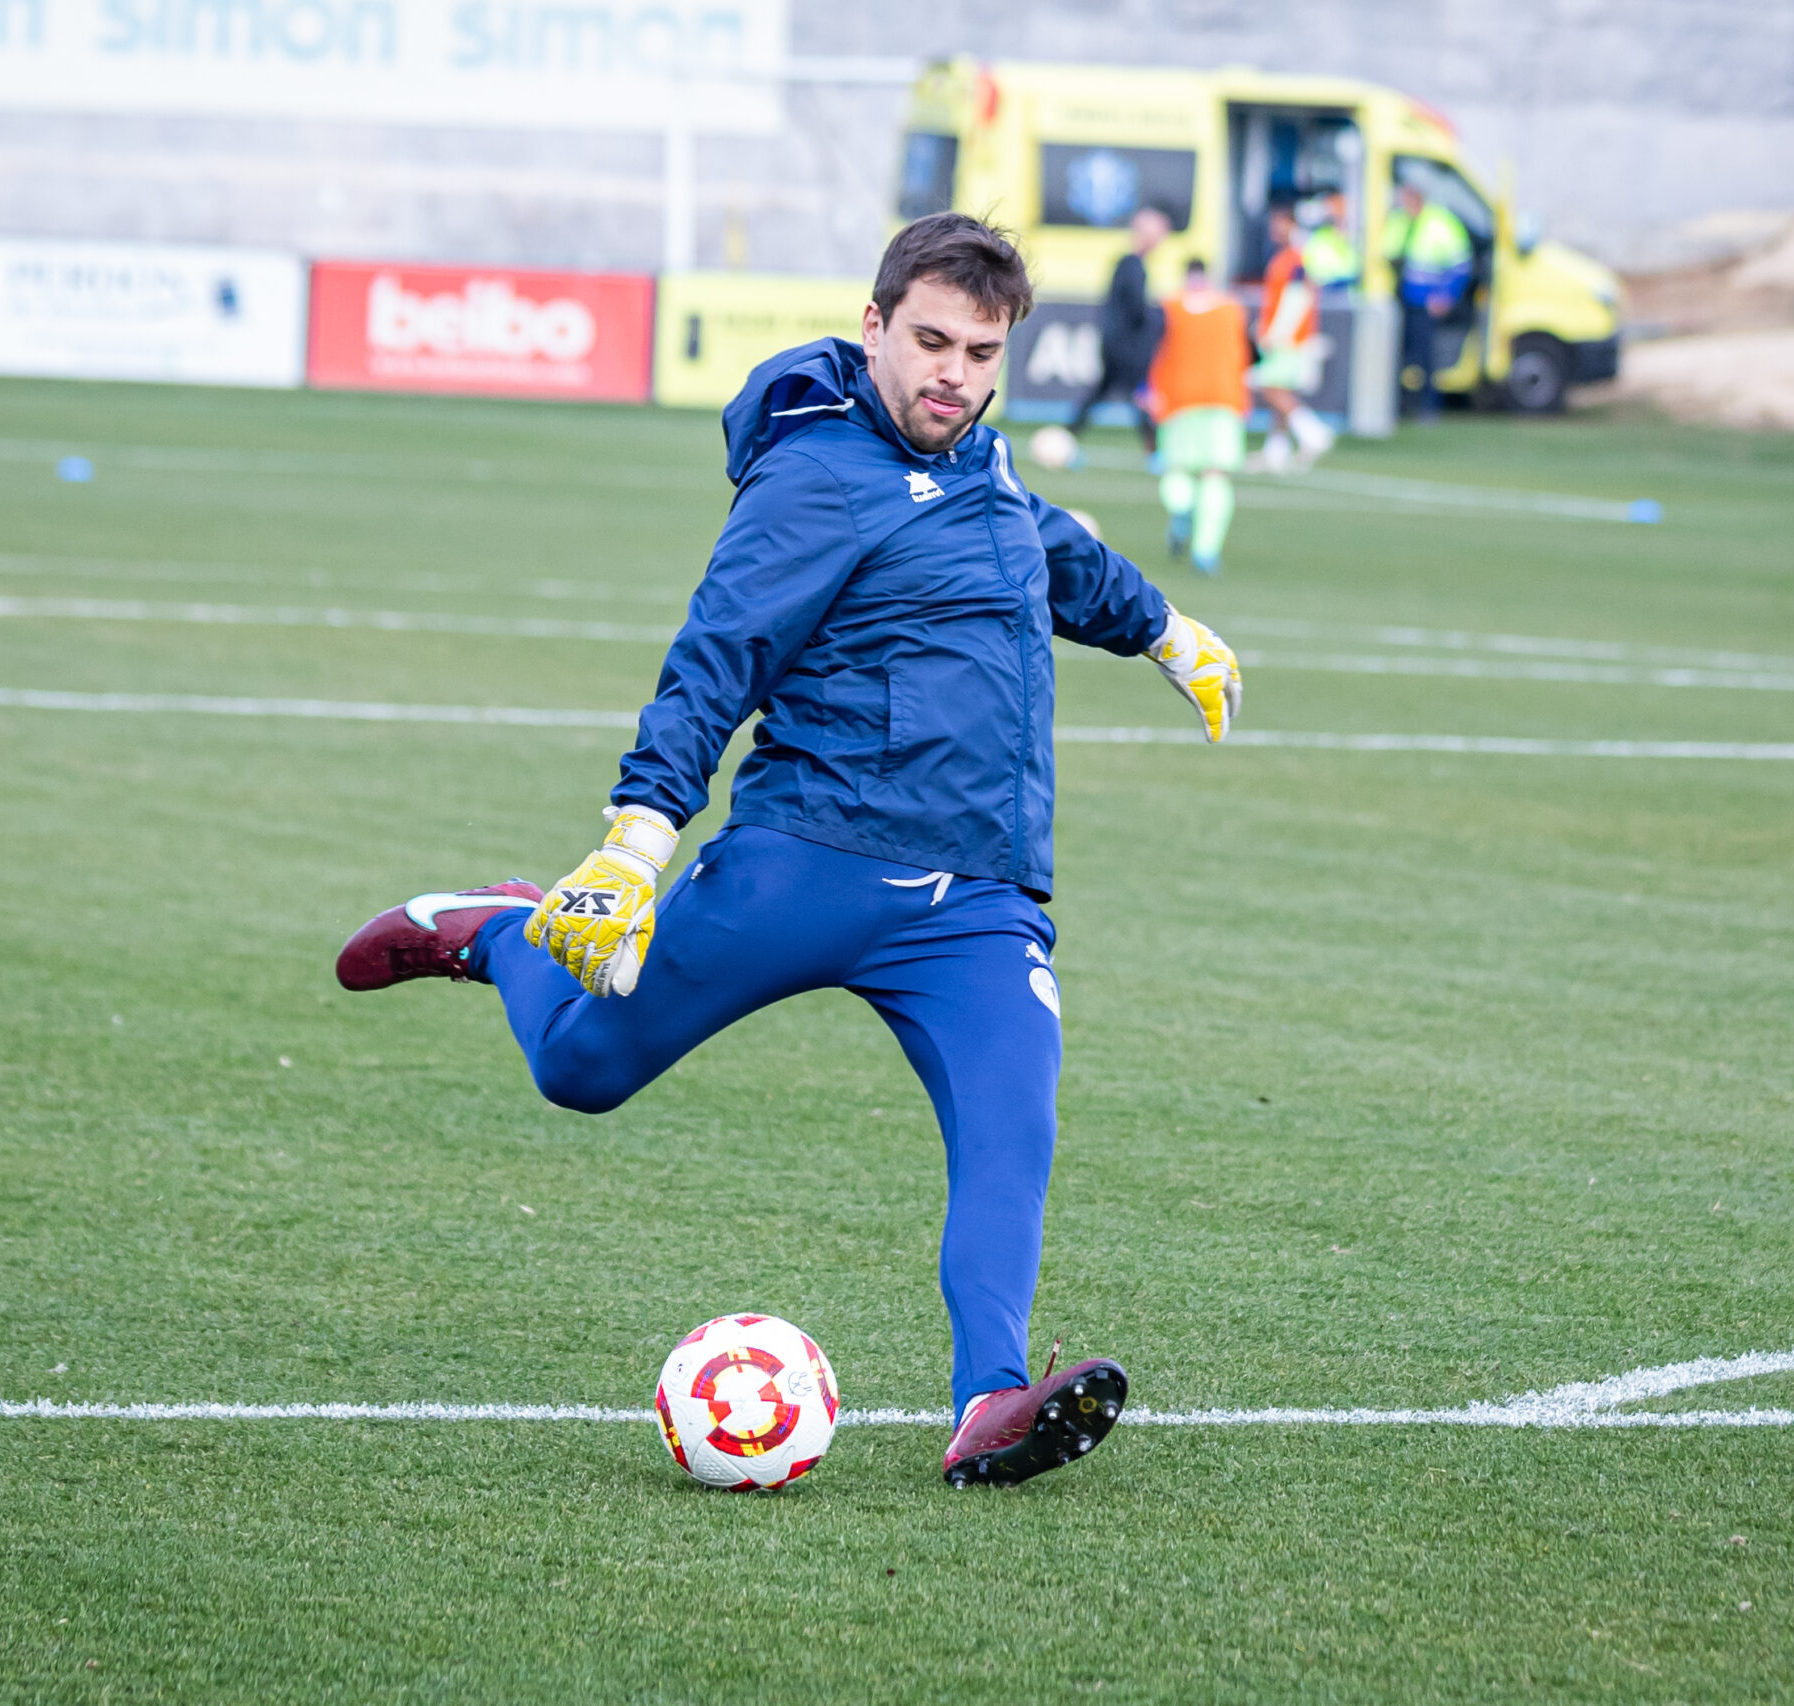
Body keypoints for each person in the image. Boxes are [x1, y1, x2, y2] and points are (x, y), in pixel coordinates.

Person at [333, 213, 1242, 1491]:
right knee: (582, 1071)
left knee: (1011, 1129)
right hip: (806, 857)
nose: (954, 375)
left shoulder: (979, 462)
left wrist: (1161, 627)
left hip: (976, 896)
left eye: (982, 352)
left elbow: (1042, 546)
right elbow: (719, 653)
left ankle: (991, 1398)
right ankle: (496, 930)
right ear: (873, 327)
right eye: (931, 342)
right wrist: (637, 836)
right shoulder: (816, 475)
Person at [1146, 258, 1254, 575]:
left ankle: (1182, 506)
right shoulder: (1231, 308)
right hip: (1224, 399)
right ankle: (1206, 551)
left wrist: (1149, 389)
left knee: (1177, 468)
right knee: (1216, 474)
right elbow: (1247, 352)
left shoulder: (1170, 307)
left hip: (1179, 399)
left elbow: (1153, 349)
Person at [1068, 205, 1170, 454]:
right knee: (1139, 394)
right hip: (1125, 347)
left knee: (1104, 392)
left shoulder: (1128, 264)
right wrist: (1158, 318)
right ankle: (1155, 449)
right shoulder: (1133, 266)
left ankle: (1069, 433)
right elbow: (1136, 310)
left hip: (1116, 343)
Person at [1246, 203, 1333, 472]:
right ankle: (1276, 451)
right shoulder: (1283, 257)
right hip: (1282, 335)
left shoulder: (1296, 258)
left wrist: (1277, 333)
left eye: (1280, 223)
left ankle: (1314, 433)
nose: (1274, 229)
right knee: (1279, 391)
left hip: (1289, 339)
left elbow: (1299, 297)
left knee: (1271, 388)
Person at [1381, 181, 1475, 420]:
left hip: (1426, 303)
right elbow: (1386, 252)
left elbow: (1461, 265)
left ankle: (1428, 408)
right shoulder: (1399, 221)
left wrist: (1446, 295)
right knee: (1397, 354)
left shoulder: (1441, 223)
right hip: (1400, 299)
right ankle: (1397, 406)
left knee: (1426, 356)